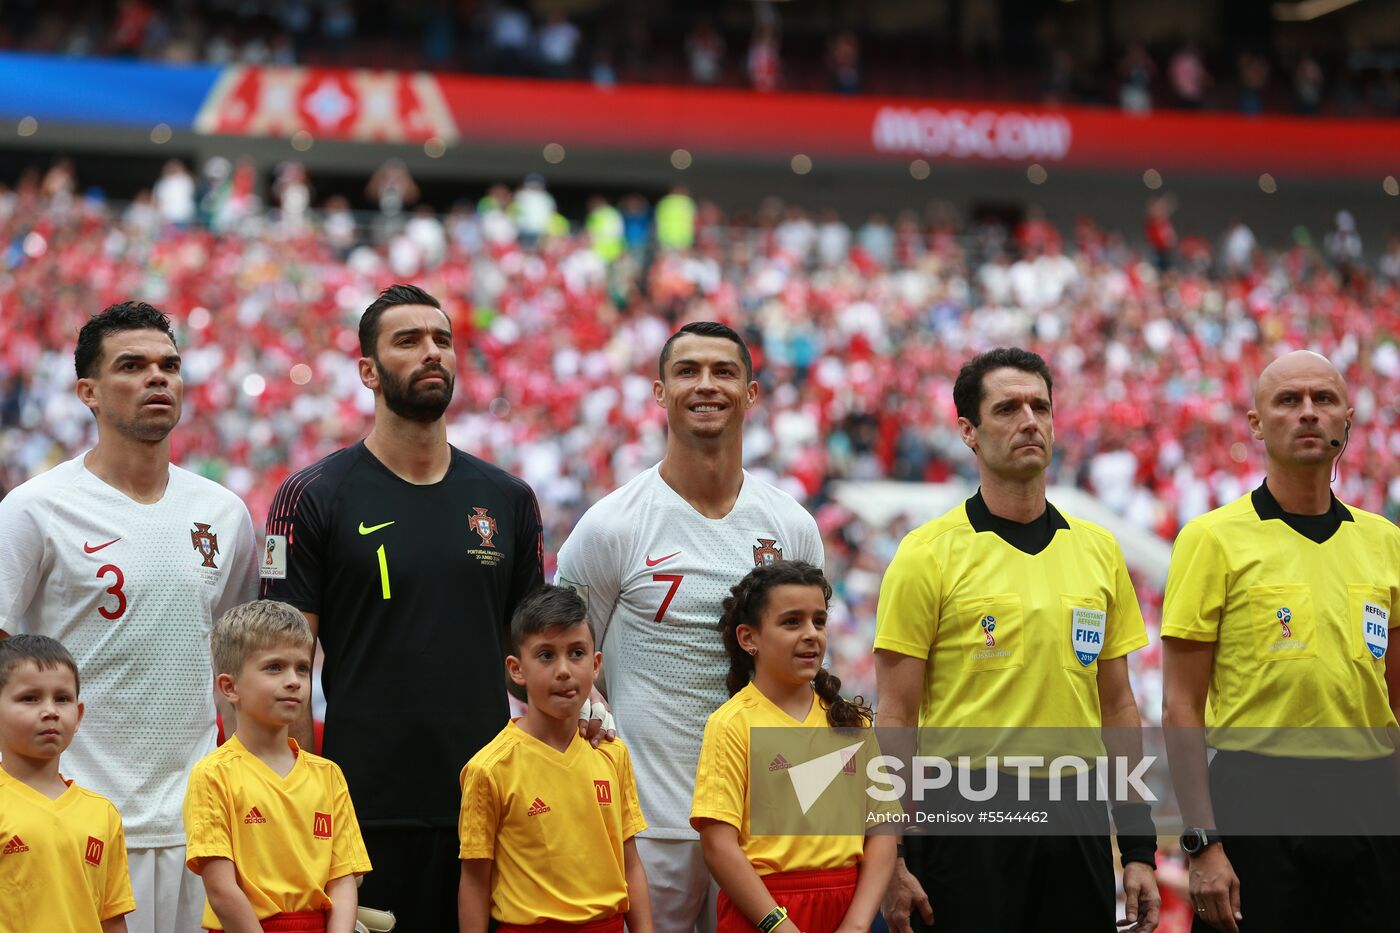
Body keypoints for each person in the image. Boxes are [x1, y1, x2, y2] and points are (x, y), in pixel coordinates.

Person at [261, 283, 544, 931]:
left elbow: (530, 660)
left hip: (490, 811)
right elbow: (284, 670)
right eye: (409, 340)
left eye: (442, 339)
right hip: (363, 814)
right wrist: (308, 811)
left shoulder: (508, 499)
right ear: (368, 369)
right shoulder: (309, 497)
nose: (432, 352)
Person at [873, 347, 1160, 933]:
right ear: (968, 433)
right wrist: (892, 855)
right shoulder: (926, 553)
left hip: (1075, 815)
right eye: (1007, 408)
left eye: (1040, 406)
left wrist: (1136, 847)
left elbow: (1118, 705)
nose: (1029, 420)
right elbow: (896, 713)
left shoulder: (1100, 550)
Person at [0, 300, 259, 933]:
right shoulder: (35, 510)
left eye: (169, 365)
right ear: (87, 391)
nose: (157, 378)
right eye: (133, 365)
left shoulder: (223, 514)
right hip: (75, 823)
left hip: (202, 829)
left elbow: (239, 669)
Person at [556, 321, 823, 932]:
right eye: (688, 372)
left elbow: (809, 674)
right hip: (654, 825)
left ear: (752, 394)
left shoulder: (792, 526)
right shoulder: (611, 527)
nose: (707, 386)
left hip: (768, 822)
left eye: (724, 372)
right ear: (659, 392)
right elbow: (557, 660)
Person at [1161, 350, 1400, 933]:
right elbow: (1181, 705)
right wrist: (1202, 842)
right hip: (1256, 796)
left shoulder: (1386, 541)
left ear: (1348, 417)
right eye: (1289, 401)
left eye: (1323, 400)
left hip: (1371, 798)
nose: (1309, 413)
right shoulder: (1211, 539)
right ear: (1256, 423)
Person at [692, 560, 895, 933]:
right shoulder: (731, 724)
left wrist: (856, 924)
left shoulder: (853, 723)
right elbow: (718, 846)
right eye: (791, 622)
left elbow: (883, 831)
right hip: (763, 914)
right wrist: (778, 924)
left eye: (818, 621)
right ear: (748, 638)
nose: (811, 634)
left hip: (851, 909)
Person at [458, 585, 653, 933]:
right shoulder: (489, 768)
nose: (564, 670)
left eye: (576, 653)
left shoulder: (612, 754)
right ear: (517, 670)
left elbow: (631, 865)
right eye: (546, 655)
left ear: (595, 665)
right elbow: (474, 881)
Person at [183, 601, 370, 933]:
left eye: (301, 668)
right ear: (229, 687)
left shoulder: (328, 775)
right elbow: (222, 891)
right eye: (274, 667)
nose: (294, 680)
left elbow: (343, 881)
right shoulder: (213, 775)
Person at [0, 634, 135, 933]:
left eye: (62, 698)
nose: (50, 710)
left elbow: (112, 920)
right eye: (30, 698)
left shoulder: (102, 813)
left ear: (79, 715)